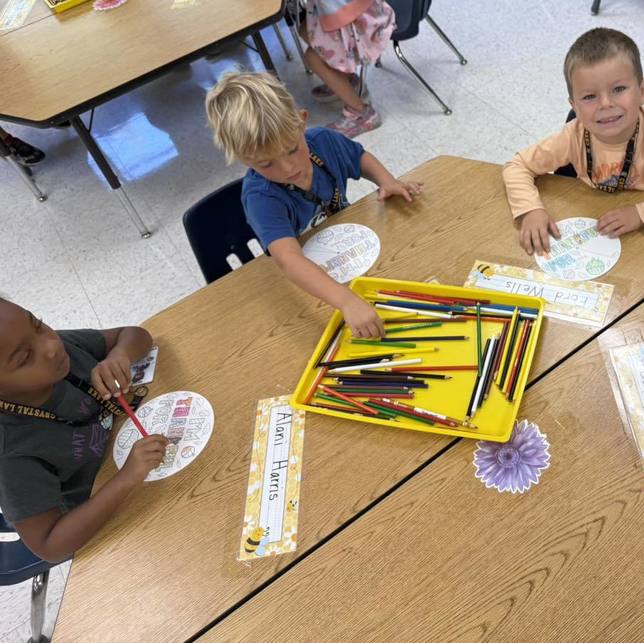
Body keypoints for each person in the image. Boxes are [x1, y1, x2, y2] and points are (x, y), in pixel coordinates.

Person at [205, 71, 422, 338]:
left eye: (292, 149)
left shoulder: (323, 141)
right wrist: (346, 301)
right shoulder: (261, 198)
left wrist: (386, 181)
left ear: (302, 123)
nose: (288, 168)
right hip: (312, 287)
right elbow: (289, 260)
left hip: (349, 252)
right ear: (244, 159)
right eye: (266, 163)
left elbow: (360, 158)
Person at [503, 28, 644, 255]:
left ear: (642, 90)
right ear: (574, 106)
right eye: (589, 96)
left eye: (618, 89)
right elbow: (517, 165)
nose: (605, 104)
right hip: (592, 216)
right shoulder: (573, 134)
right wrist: (531, 210)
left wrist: (640, 214)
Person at [0, 298, 167, 562]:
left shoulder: (61, 349)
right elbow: (49, 545)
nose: (52, 345)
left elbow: (135, 334)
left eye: (39, 324)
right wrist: (126, 478)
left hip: (139, 458)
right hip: (110, 513)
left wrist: (118, 356)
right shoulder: (11, 455)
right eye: (25, 358)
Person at [303, 0, 395, 137]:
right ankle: (344, 79)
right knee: (305, 29)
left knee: (313, 58)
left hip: (358, 17)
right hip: (354, 11)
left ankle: (361, 113)